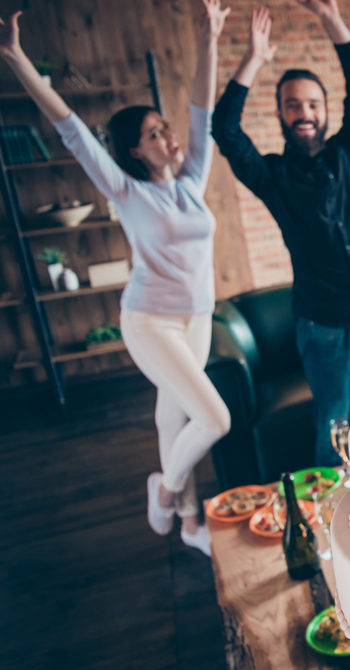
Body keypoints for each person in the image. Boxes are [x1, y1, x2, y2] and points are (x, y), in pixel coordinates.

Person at [0, 2, 233, 555]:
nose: (169, 136)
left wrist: (209, 35)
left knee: (172, 420)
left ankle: (191, 524)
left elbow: (201, 107)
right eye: (154, 133)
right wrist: (14, 55)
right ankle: (166, 487)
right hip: (151, 321)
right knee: (214, 418)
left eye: (165, 127)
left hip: (197, 316)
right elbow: (72, 129)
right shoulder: (129, 192)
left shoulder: (190, 179)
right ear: (134, 150)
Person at [211, 0, 350, 468]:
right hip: (322, 324)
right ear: (282, 114)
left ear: (324, 111)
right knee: (333, 424)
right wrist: (253, 60)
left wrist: (332, 19)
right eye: (293, 105)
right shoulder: (271, 175)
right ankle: (331, 522)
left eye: (312, 104)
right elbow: (224, 129)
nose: (304, 112)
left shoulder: (345, 153)